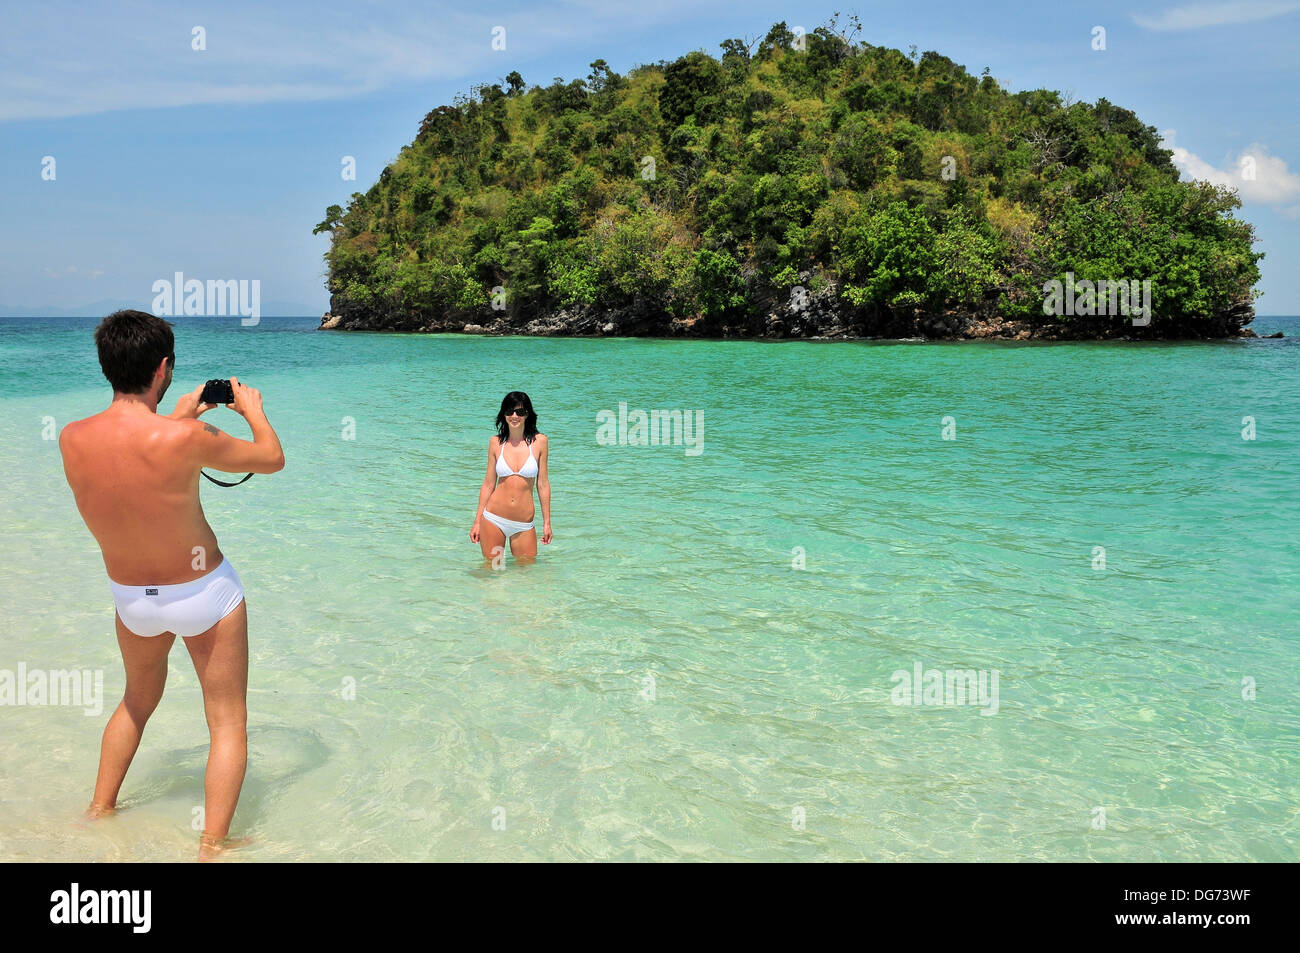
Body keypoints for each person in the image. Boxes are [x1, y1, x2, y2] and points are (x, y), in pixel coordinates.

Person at [58, 310, 284, 861]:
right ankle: (212, 847)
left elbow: (134, 466)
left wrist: (178, 411)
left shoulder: (71, 438)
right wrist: (252, 412)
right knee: (227, 721)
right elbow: (271, 459)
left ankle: (99, 810)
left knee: (136, 701)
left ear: (106, 365)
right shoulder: (185, 437)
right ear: (164, 367)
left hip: (132, 599)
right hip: (203, 593)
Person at [470, 391, 551, 562]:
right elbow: (488, 484)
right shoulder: (495, 442)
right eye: (509, 411)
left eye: (520, 412)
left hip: (523, 524)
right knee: (494, 572)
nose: (514, 416)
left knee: (526, 576)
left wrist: (547, 523)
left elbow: (542, 485)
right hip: (493, 519)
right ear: (504, 414)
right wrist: (477, 521)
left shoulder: (540, 442)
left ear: (527, 414)